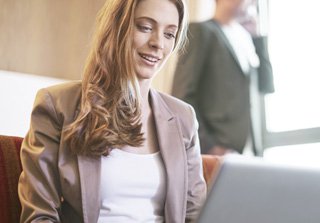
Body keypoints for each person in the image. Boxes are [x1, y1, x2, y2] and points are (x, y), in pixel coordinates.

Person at [18, 0, 206, 222]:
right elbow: (39, 215)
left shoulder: (183, 118)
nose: (158, 44)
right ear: (117, 28)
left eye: (169, 34)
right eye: (145, 27)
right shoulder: (57, 106)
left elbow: (196, 215)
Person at [171, 0, 274, 156]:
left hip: (249, 152)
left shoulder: (246, 38)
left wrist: (257, 38)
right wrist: (209, 145)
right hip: (219, 150)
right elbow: (181, 95)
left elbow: (266, 85)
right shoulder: (201, 31)